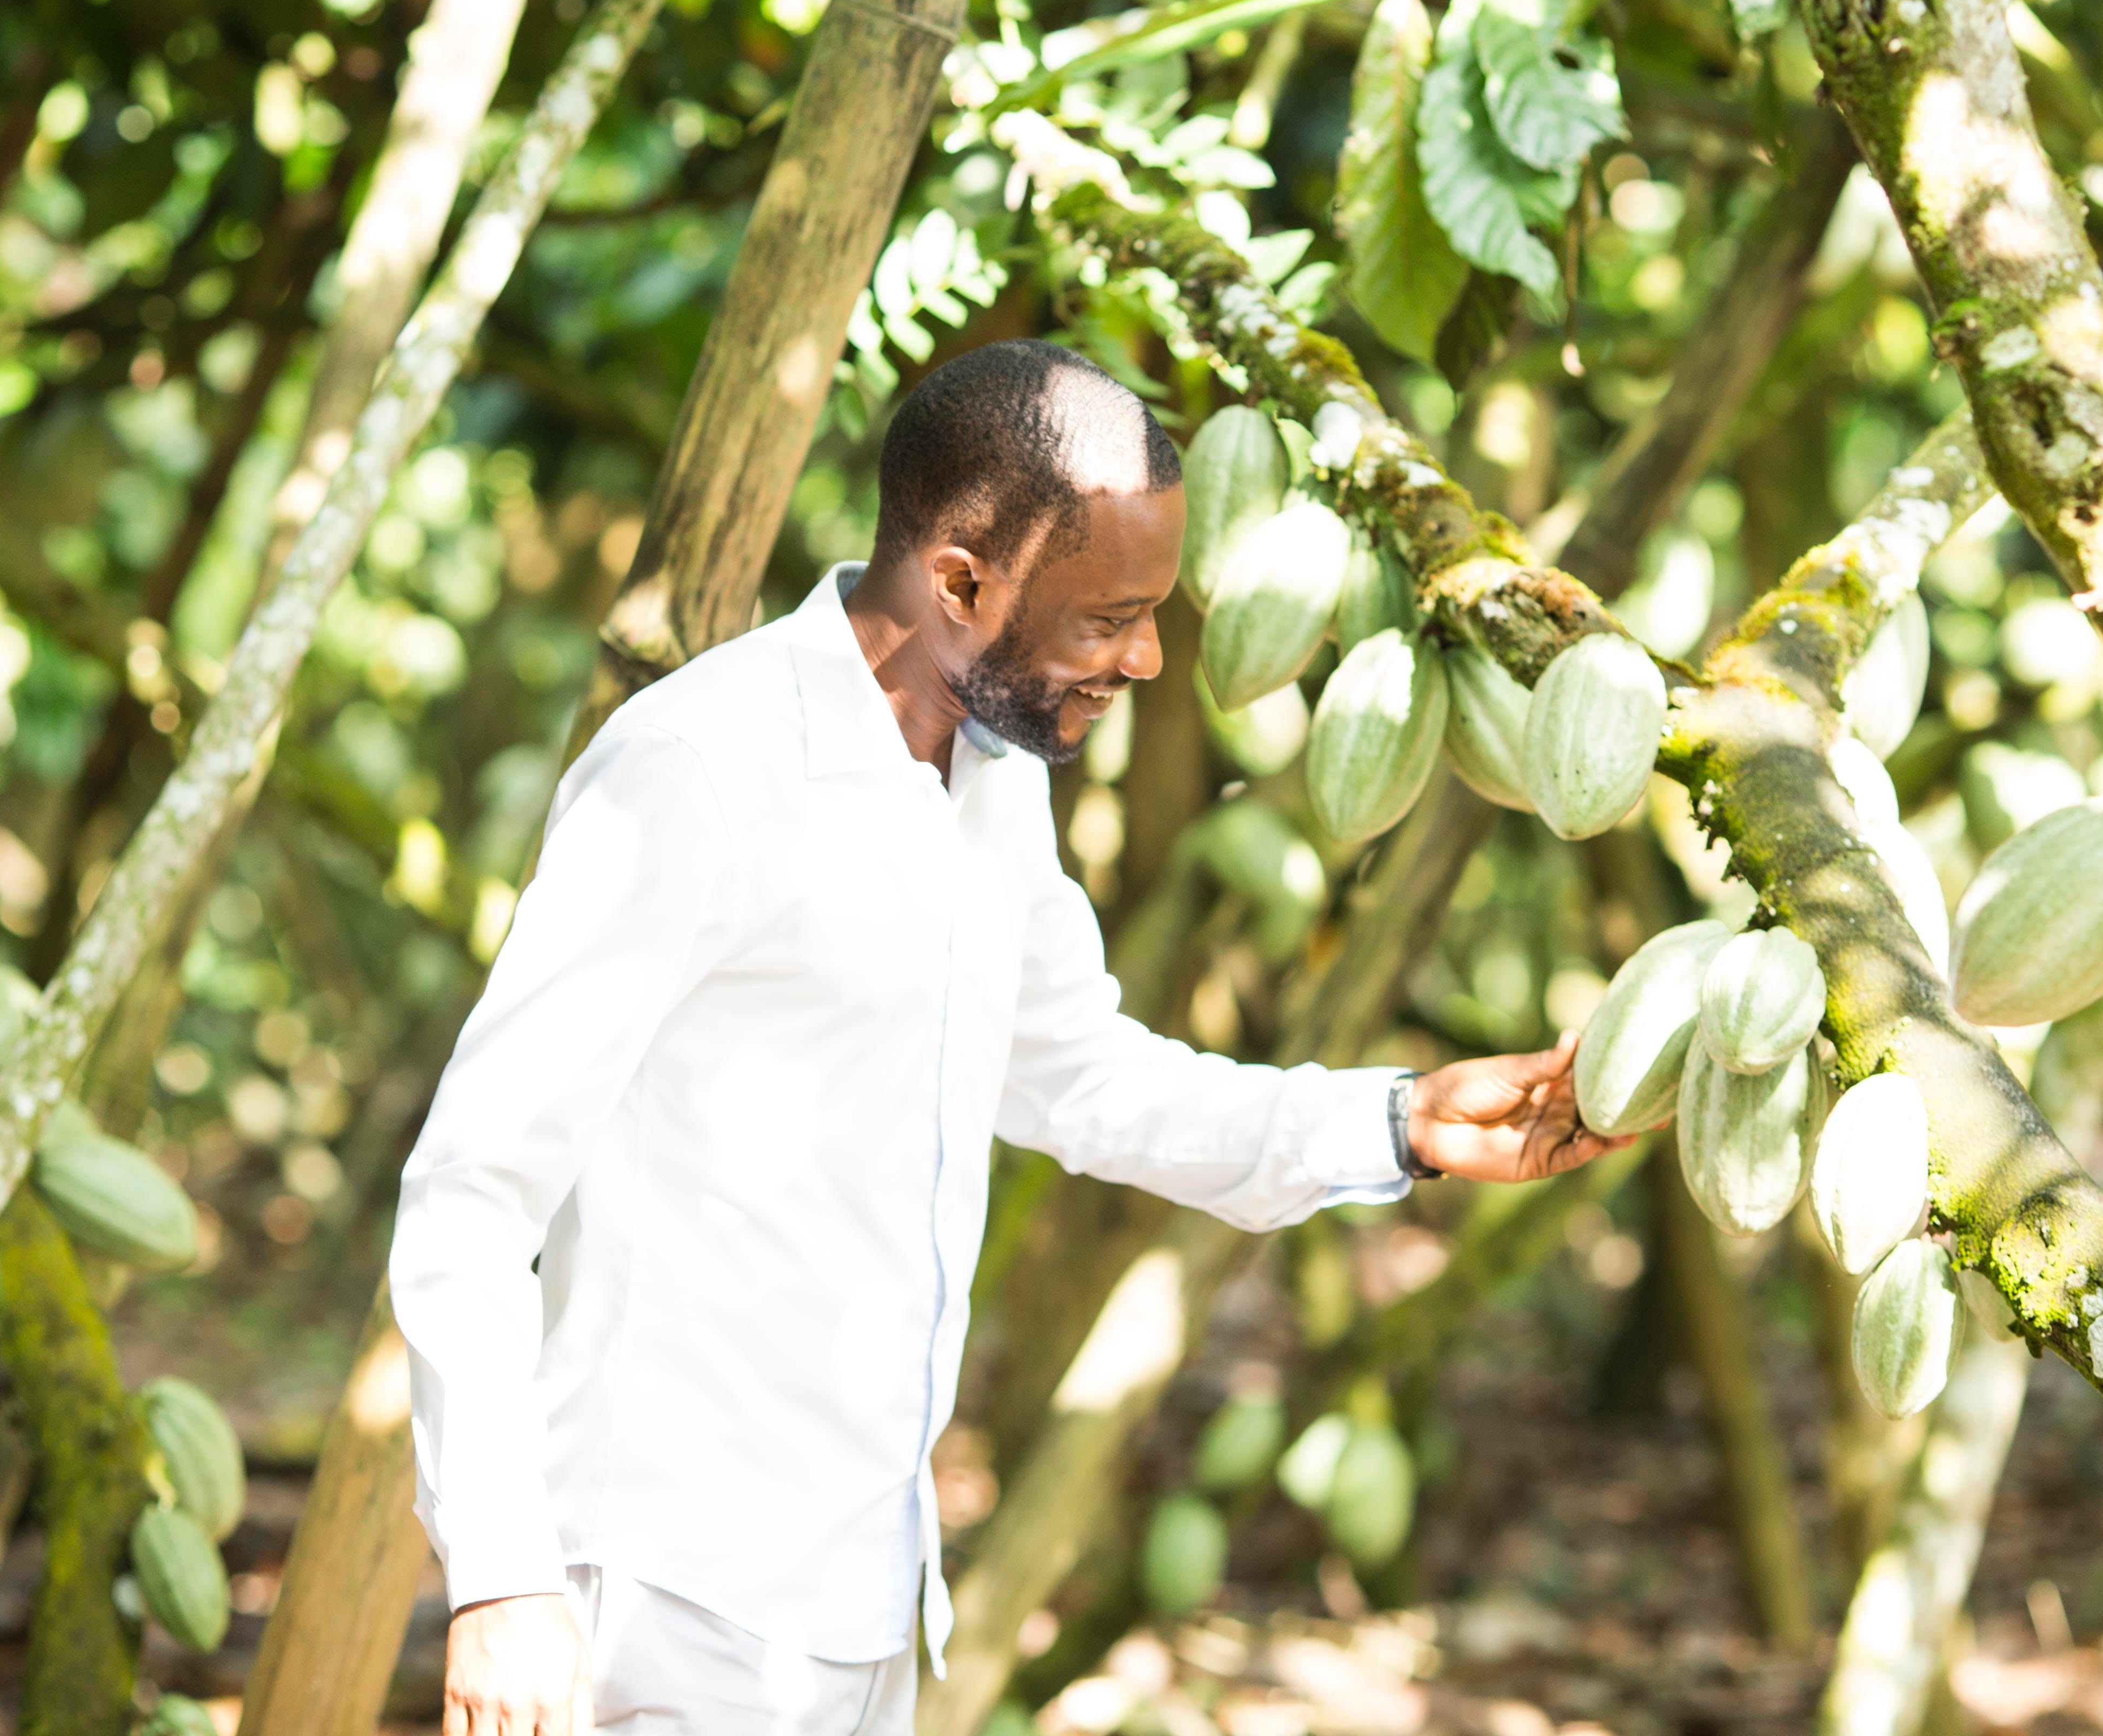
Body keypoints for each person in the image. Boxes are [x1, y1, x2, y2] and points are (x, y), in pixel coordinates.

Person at [392, 338, 1619, 1736]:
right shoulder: (699, 768)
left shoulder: (990, 775)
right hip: (670, 1608)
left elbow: (1079, 1078)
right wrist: (500, 1578)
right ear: (962, 579)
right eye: (1110, 618)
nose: (1150, 658)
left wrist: (1397, 1124)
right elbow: (471, 1193)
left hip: (872, 1601)